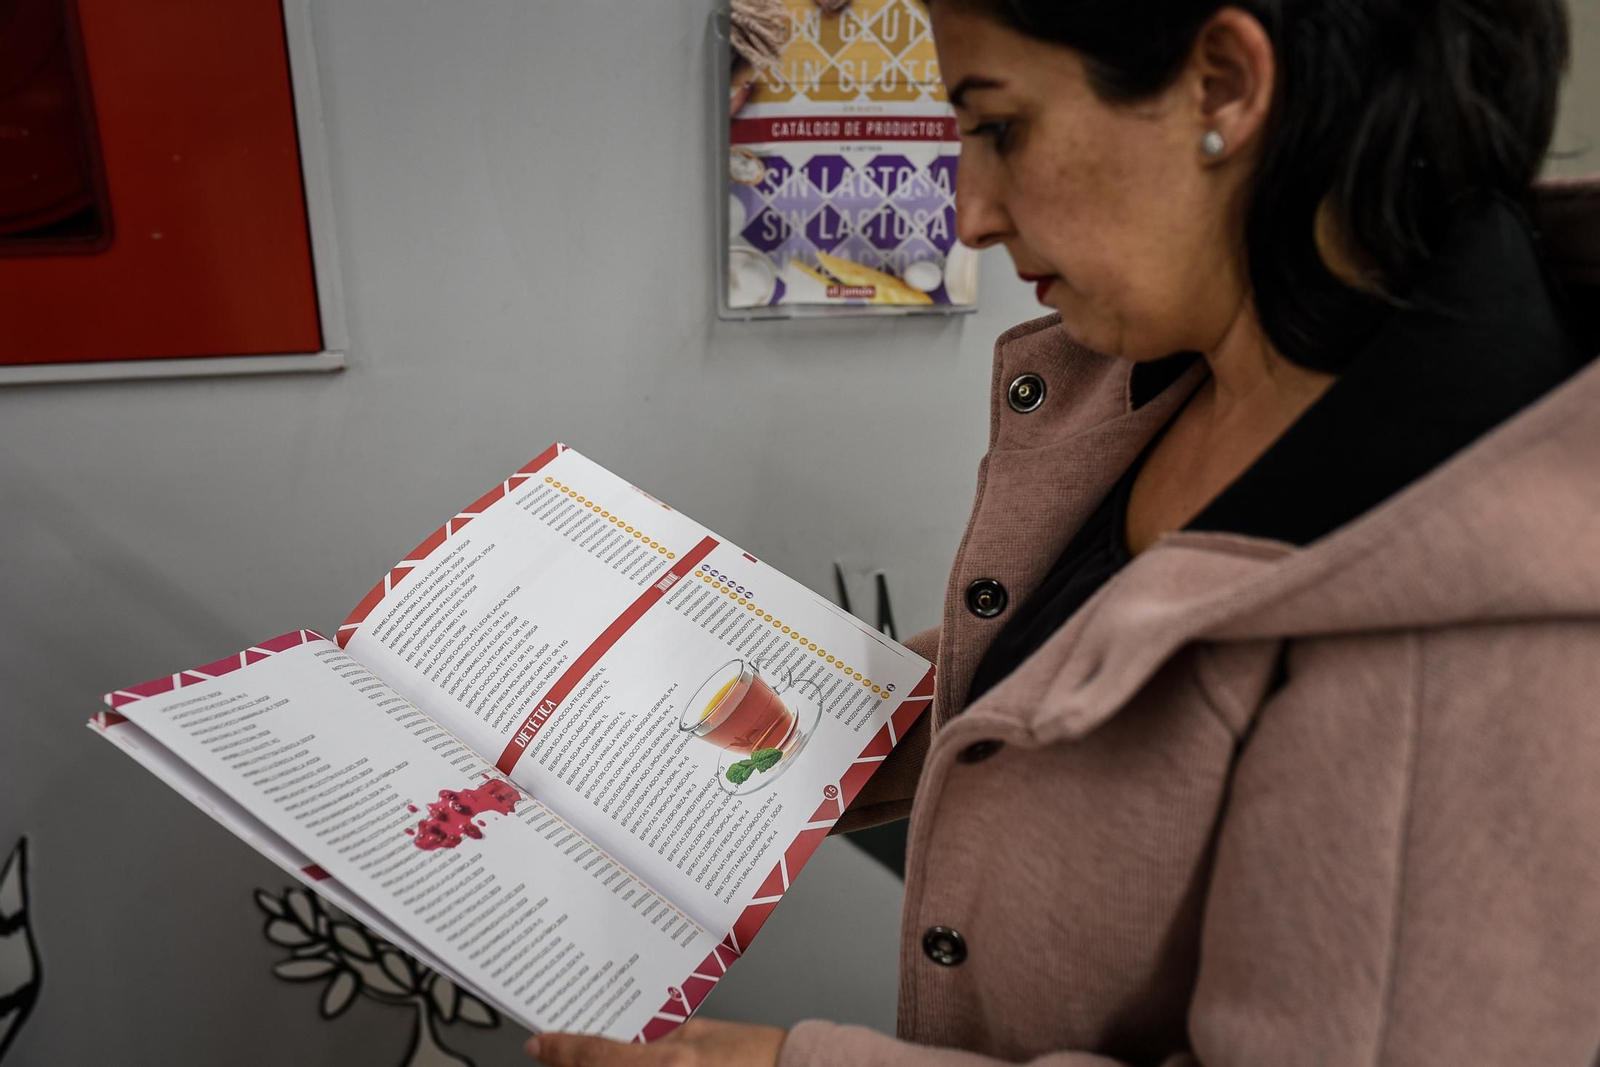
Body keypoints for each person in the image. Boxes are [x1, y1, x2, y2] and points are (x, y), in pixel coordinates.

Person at [528, 0, 1600, 1063]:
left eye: (996, 126)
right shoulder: (1183, 369)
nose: (968, 216)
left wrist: (781, 1064)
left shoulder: (1485, 636)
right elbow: (1077, 680)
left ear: (1222, 84)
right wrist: (656, 734)